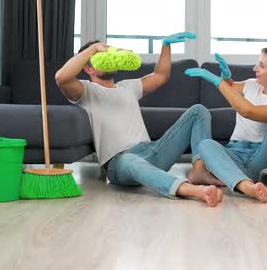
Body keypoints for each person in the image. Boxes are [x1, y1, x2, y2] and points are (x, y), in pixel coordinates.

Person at [55, 32, 223, 207]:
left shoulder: (128, 86)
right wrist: (94, 48)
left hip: (153, 152)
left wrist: (165, 46)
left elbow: (160, 76)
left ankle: (199, 169)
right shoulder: (87, 92)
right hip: (119, 162)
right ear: (89, 68)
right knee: (130, 160)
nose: (109, 57)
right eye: (101, 56)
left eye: (108, 54)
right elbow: (62, 78)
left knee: (199, 111)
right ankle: (192, 191)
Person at [184, 47, 267, 203]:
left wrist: (217, 82)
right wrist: (226, 78)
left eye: (262, 66)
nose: (255, 68)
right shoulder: (251, 84)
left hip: (260, 159)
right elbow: (232, 88)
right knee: (205, 145)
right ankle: (245, 185)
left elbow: (248, 111)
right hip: (234, 155)